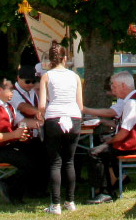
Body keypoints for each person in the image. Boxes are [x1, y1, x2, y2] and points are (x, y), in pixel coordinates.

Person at [83, 71, 136, 204]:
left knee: (94, 153)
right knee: (100, 148)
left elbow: (124, 133)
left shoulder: (132, 103)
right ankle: (114, 180)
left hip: (135, 145)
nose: (112, 89)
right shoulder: (135, 99)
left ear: (123, 86)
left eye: (114, 86)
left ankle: (105, 191)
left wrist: (110, 141)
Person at [0, 76, 40, 205]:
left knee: (38, 150)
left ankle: (28, 189)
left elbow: (23, 121)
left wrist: (43, 122)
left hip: (5, 146)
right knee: (27, 161)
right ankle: (11, 189)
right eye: (10, 89)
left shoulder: (8, 107)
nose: (13, 92)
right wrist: (14, 135)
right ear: (0, 90)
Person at [37, 42, 83, 214]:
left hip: (54, 117)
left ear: (50, 59)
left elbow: (42, 104)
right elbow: (80, 105)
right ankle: (70, 201)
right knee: (69, 161)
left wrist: (40, 115)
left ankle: (55, 204)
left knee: (55, 162)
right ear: (65, 58)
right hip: (73, 116)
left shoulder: (46, 76)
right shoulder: (75, 76)